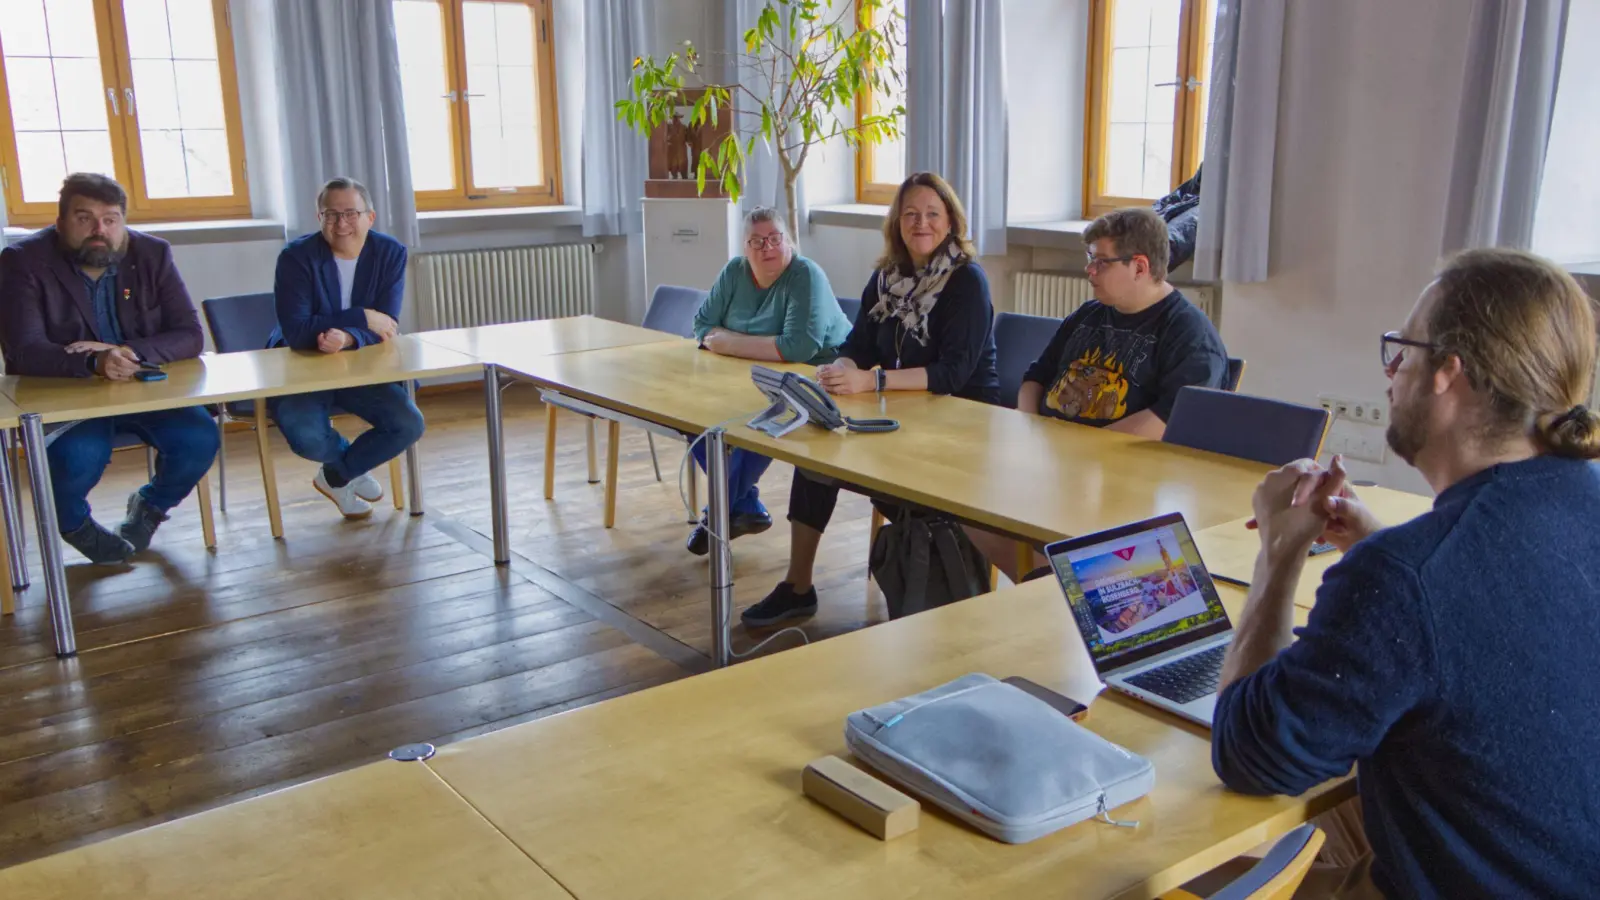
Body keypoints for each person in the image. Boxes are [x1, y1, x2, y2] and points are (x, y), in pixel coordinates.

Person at [1210, 248, 1600, 898]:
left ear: (1448, 373)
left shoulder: (1406, 575)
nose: (1391, 374)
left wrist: (1279, 554)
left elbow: (1250, 754)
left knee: (1163, 860)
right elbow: (1512, 606)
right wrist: (1380, 548)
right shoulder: (1566, 506)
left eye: (1401, 351)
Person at [740, 172, 1000, 628]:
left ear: (951, 221)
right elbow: (859, 344)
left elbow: (952, 374)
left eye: (932, 214)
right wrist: (839, 369)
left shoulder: (966, 281)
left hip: (961, 426)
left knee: (886, 479)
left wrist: (872, 382)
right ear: (897, 222)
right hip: (902, 414)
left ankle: (926, 589)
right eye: (910, 214)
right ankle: (797, 587)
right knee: (818, 456)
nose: (921, 223)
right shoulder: (887, 277)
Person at [968, 206, 1229, 583]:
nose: (1089, 271)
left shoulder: (1189, 335)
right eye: (1090, 259)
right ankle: (1048, 585)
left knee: (984, 508)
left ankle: (1057, 587)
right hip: (1056, 467)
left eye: (1100, 262)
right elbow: (1035, 377)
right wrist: (1030, 430)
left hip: (1121, 485)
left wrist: (1076, 453)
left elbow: (1168, 421)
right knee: (965, 503)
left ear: (1139, 266)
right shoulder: (1089, 314)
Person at [0, 173, 219, 563]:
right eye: (84, 218)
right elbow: (23, 351)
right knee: (80, 456)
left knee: (199, 438)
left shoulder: (152, 253)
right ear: (60, 222)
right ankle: (73, 524)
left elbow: (189, 334)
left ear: (123, 223)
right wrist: (92, 362)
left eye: (110, 219)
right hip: (68, 393)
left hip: (143, 388)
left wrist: (123, 351)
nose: (99, 230)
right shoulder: (24, 261)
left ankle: (150, 506)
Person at [686, 207, 852, 555]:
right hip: (752, 376)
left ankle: (717, 514)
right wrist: (746, 345)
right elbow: (701, 325)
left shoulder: (805, 274)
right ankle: (743, 503)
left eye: (775, 238)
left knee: (758, 422)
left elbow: (799, 347)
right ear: (745, 248)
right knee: (691, 417)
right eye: (757, 241)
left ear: (788, 241)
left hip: (819, 380)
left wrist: (729, 342)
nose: (768, 247)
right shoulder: (734, 272)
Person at [267, 177, 423, 519]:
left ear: (370, 217)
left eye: (351, 213)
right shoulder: (296, 257)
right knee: (307, 436)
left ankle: (336, 476)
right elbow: (297, 331)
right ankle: (349, 464)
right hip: (303, 364)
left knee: (408, 424)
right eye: (331, 215)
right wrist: (361, 317)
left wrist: (350, 337)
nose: (341, 224)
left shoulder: (390, 252)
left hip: (360, 365)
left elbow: (387, 325)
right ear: (318, 218)